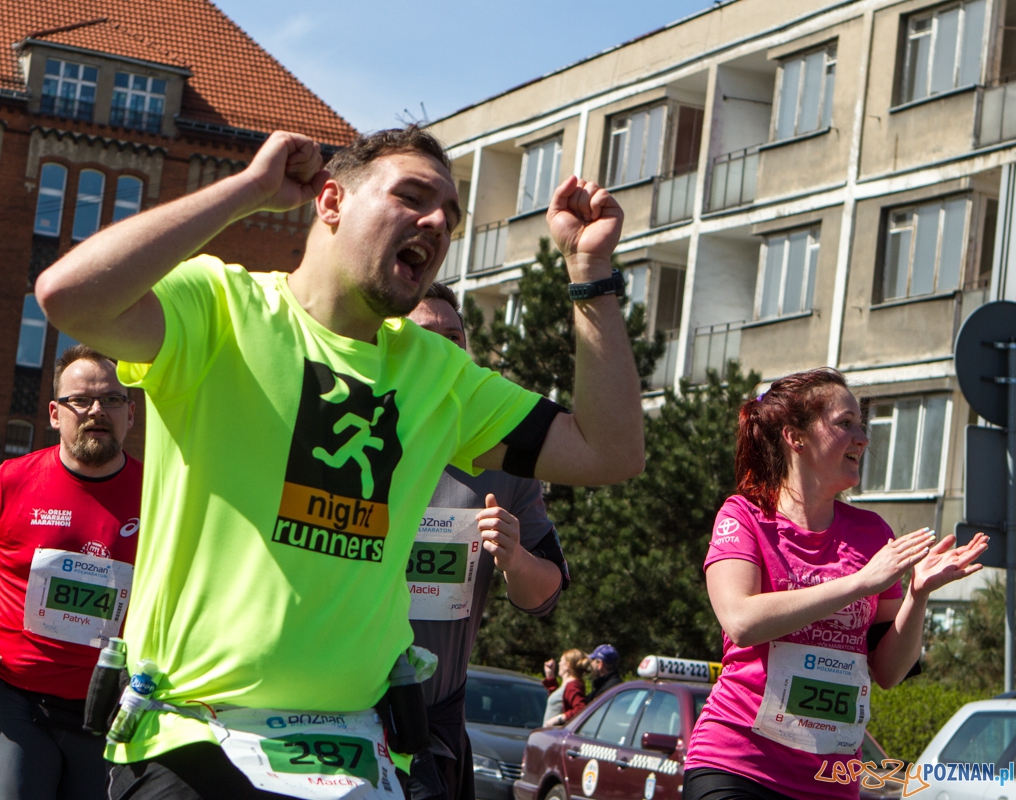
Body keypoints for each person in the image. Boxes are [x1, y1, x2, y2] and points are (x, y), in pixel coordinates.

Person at [35, 125, 645, 799]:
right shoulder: (221, 308)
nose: (437, 222)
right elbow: (69, 297)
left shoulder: (438, 373)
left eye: (450, 215)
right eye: (412, 196)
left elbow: (608, 450)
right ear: (330, 201)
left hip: (359, 755)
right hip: (196, 742)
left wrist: (590, 274)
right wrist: (247, 192)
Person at [683, 368, 989, 800]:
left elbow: (887, 672)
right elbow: (741, 620)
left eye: (861, 425)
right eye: (845, 424)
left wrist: (917, 595)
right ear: (795, 436)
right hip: (739, 765)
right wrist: (860, 583)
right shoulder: (743, 516)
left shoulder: (871, 532)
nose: (862, 438)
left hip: (830, 782)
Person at [0, 345, 142, 800]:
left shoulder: (159, 495)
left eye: (112, 399)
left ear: (131, 414)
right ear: (54, 413)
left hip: (106, 707)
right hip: (15, 694)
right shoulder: (12, 480)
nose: (97, 410)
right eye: (81, 400)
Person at [404, 283, 569, 800]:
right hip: (337, 711)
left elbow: (546, 595)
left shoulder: (500, 458)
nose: (447, 350)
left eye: (457, 337)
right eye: (429, 336)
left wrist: (516, 559)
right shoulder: (349, 438)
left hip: (434, 730)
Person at [544, 649, 589, 727]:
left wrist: (558, 719)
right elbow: (559, 702)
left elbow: (581, 709)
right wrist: (550, 676)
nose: (559, 663)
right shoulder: (569, 685)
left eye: (561, 661)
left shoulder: (572, 686)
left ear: (567, 666)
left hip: (555, 736)